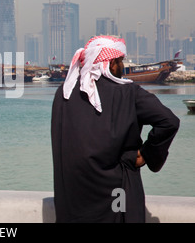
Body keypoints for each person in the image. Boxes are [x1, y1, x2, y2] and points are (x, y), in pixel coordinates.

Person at [51, 35, 179, 223]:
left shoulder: (64, 93)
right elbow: (169, 121)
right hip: (117, 193)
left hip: (74, 200)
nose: (123, 67)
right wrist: (146, 154)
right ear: (111, 63)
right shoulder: (128, 93)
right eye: (121, 61)